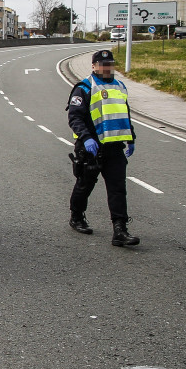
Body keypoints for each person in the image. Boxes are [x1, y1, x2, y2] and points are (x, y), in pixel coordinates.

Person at [66, 49, 139, 246]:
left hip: (114, 147)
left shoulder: (120, 87)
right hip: (90, 148)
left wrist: (130, 137)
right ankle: (77, 217)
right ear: (94, 66)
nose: (107, 68)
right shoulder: (84, 87)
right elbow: (75, 117)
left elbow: (125, 114)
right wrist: (86, 138)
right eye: (102, 65)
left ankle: (120, 230)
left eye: (110, 65)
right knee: (85, 184)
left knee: (118, 189)